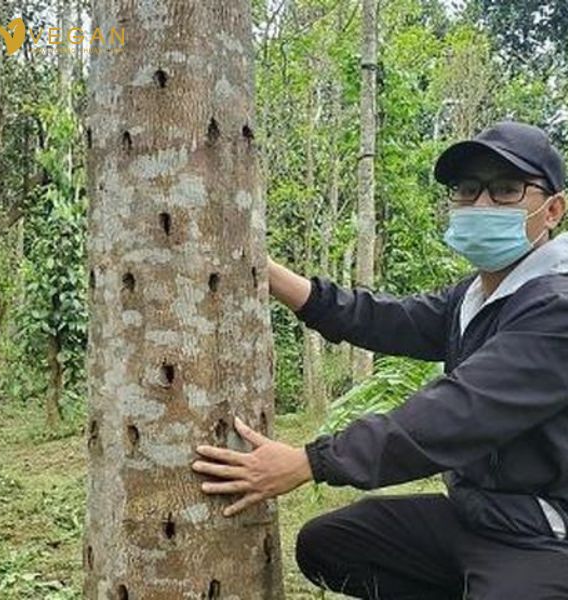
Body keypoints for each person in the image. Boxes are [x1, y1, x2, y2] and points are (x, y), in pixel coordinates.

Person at [191, 121, 568, 599]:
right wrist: (270, 276)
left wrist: (311, 461)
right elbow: (387, 320)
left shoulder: (556, 306)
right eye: (468, 190)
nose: (481, 206)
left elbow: (456, 412)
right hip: (477, 516)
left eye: (506, 190)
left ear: (552, 208)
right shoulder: (476, 296)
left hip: (546, 536)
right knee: (330, 545)